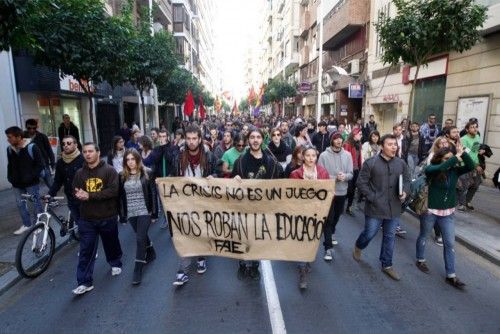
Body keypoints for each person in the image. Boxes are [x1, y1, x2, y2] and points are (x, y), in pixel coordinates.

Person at [415, 145, 474, 290]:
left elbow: (471, 165)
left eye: (452, 158)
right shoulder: (431, 169)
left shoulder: (454, 170)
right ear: (440, 159)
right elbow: (441, 167)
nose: (451, 161)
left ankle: (451, 275)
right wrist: (455, 158)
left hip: (447, 213)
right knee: (424, 235)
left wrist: (462, 154)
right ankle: (420, 259)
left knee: (450, 244)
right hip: (430, 211)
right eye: (447, 158)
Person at [353, 134, 410, 281]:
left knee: (389, 237)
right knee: (369, 233)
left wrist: (405, 191)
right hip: (375, 208)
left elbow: (408, 180)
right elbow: (361, 183)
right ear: (382, 146)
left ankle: (387, 264)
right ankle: (359, 246)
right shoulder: (371, 163)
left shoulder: (401, 163)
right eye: (390, 144)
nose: (393, 147)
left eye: (395, 144)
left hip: (394, 208)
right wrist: (372, 197)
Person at [71, 142, 122, 295]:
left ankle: (115, 262)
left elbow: (113, 191)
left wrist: (90, 196)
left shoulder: (109, 171)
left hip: (107, 216)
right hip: (87, 219)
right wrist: (78, 195)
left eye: (91, 151)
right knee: (86, 250)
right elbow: (75, 190)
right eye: (85, 152)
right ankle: (84, 281)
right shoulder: (80, 173)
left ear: (98, 153)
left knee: (111, 243)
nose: (87, 154)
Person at [232, 128, 282, 280]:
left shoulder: (271, 162)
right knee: (243, 235)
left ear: (262, 140)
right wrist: (235, 180)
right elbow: (231, 184)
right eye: (252, 137)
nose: (255, 140)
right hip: (244, 207)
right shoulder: (240, 161)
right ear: (248, 140)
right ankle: (242, 262)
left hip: (262, 208)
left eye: (258, 137)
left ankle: (254, 265)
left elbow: (278, 184)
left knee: (258, 237)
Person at [171, 125, 217, 286]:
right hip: (185, 202)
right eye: (188, 139)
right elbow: (173, 178)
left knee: (201, 231)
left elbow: (217, 173)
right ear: (185, 139)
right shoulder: (178, 157)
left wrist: (213, 177)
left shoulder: (209, 156)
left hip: (204, 202)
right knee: (186, 233)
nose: (191, 142)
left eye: (194, 139)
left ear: (199, 139)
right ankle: (182, 271)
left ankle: (201, 257)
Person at [290, 145, 330, 289]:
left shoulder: (323, 173)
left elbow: (327, 193)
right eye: (308, 155)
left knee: (312, 240)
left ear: (316, 157)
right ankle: (302, 272)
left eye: (313, 155)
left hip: (317, 213)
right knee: (302, 240)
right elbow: (291, 195)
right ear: (303, 157)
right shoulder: (295, 174)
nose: (311, 158)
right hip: (300, 213)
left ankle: (306, 262)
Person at [119, 149, 157, 285]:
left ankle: (138, 269)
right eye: (127, 160)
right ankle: (151, 251)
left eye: (132, 159)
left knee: (140, 239)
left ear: (138, 159)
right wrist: (122, 215)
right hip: (131, 213)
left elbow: (153, 193)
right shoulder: (121, 176)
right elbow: (120, 197)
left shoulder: (147, 173)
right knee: (142, 236)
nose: (130, 162)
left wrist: (154, 213)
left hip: (144, 211)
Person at [318, 132, 353, 257]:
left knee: (337, 216)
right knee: (329, 218)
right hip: (328, 191)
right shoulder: (323, 155)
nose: (339, 141)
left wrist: (345, 176)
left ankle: (331, 232)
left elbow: (351, 173)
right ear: (331, 140)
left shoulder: (347, 155)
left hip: (342, 191)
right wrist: (335, 178)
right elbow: (320, 174)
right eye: (336, 139)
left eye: (340, 139)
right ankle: (328, 247)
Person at [5, 126, 44, 235]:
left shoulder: (32, 147)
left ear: (19, 136)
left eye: (10, 137)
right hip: (17, 183)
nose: (8, 140)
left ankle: (38, 224)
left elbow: (40, 165)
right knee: (20, 204)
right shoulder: (9, 149)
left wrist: (31, 176)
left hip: (31, 182)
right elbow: (10, 165)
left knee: (35, 203)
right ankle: (27, 224)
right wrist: (10, 177)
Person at [47, 135, 84, 226]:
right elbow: (58, 181)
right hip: (70, 197)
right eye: (63, 144)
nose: (66, 145)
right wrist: (50, 193)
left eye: (69, 143)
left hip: (84, 198)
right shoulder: (60, 162)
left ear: (75, 145)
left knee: (85, 225)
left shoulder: (83, 159)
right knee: (79, 222)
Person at [153, 129, 177, 229]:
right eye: (161, 136)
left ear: (167, 137)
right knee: (162, 201)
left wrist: (165, 147)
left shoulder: (173, 147)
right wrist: (161, 148)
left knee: (172, 200)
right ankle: (166, 219)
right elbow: (156, 159)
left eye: (164, 136)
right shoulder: (157, 148)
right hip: (159, 178)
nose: (162, 138)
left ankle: (173, 219)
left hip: (170, 178)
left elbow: (170, 159)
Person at [457, 121, 484, 211]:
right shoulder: (463, 139)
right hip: (465, 165)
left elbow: (474, 151)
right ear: (467, 129)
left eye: (476, 127)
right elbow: (466, 155)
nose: (475, 128)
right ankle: (461, 204)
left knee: (476, 184)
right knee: (463, 186)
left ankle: (467, 201)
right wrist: (475, 165)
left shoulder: (477, 137)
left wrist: (480, 151)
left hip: (476, 164)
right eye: (472, 127)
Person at [25, 118, 55, 188]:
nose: (32, 130)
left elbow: (49, 150)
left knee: (50, 184)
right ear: (26, 127)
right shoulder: (23, 136)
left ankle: (53, 198)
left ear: (36, 127)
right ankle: (36, 198)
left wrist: (52, 163)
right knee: (32, 187)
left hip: (43, 164)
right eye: (29, 128)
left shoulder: (42, 136)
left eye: (34, 128)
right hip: (30, 166)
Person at [342, 128, 363, 216]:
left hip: (356, 169)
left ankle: (349, 207)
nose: (361, 136)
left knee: (353, 190)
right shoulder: (347, 144)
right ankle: (340, 204)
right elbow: (345, 158)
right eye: (360, 134)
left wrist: (360, 167)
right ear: (354, 134)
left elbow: (359, 158)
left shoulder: (359, 144)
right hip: (348, 169)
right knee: (348, 189)